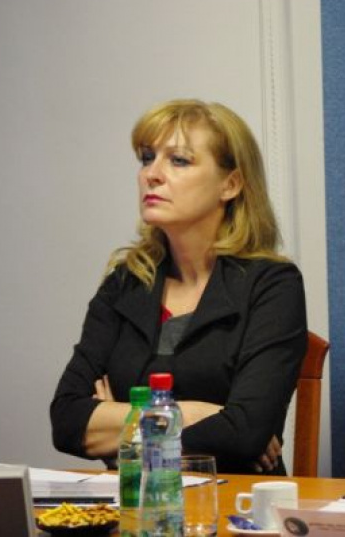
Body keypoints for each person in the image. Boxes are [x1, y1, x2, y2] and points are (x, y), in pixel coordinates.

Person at [50, 99, 307, 474]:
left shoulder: (272, 285)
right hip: (135, 500)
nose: (151, 174)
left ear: (230, 184)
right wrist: (197, 412)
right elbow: (67, 421)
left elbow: (245, 434)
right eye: (147, 158)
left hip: (230, 500)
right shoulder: (125, 283)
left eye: (179, 160)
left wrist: (120, 431)